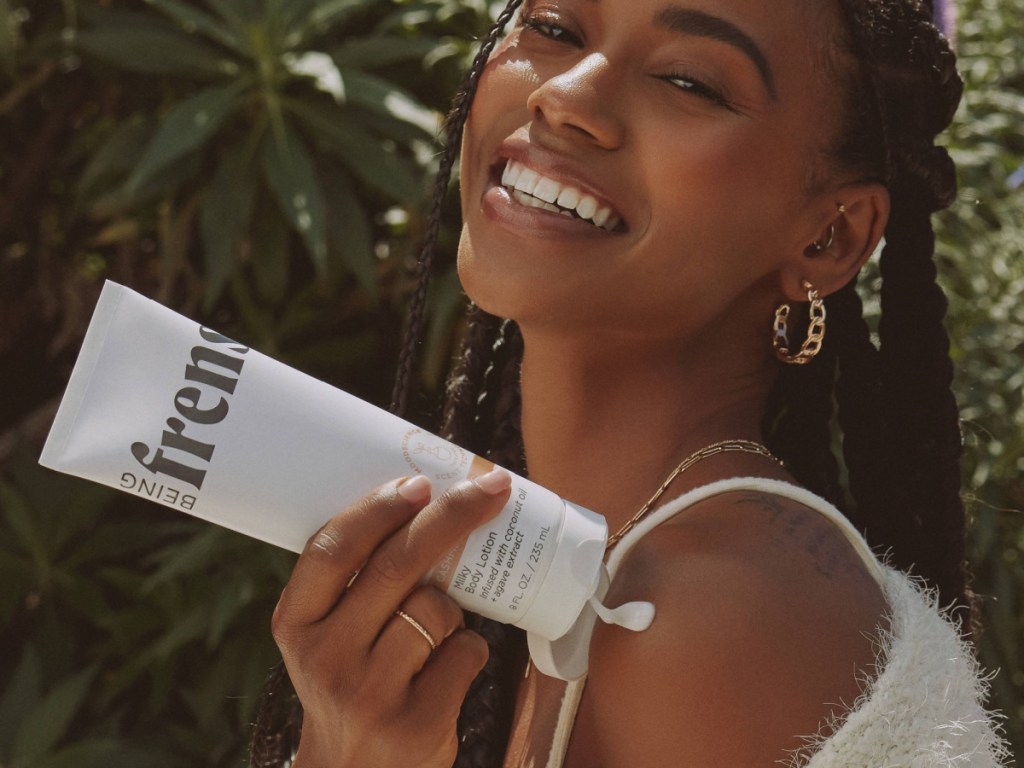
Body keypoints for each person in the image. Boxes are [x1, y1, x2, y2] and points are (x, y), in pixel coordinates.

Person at [250, 0, 1011, 765]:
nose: (566, 96)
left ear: (829, 234)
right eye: (553, 28)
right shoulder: (592, 569)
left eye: (687, 81)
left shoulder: (713, 613)